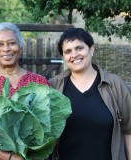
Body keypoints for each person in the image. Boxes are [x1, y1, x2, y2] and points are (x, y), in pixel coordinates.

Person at [0, 22, 50, 160]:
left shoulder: (39, 83)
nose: (6, 49)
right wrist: (10, 157)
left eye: (12, 43)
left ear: (20, 47)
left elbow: (51, 128)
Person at [49, 28, 131, 160]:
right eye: (68, 51)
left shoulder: (115, 85)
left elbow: (129, 130)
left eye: (79, 48)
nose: (74, 54)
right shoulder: (53, 87)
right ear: (63, 57)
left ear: (91, 49)